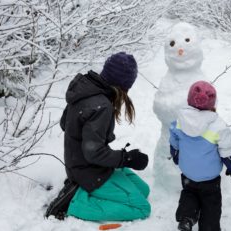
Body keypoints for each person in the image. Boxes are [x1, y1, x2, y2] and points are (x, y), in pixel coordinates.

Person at [45, 52, 151, 221]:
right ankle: (75, 202)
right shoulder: (101, 105)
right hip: (89, 172)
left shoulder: (86, 89)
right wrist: (127, 158)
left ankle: (84, 190)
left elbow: (65, 123)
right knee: (141, 207)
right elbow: (93, 153)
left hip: (86, 165)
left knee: (144, 191)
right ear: (123, 85)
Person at [169, 81, 231, 231]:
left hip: (188, 173)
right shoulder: (218, 126)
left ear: (190, 99)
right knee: (211, 203)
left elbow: (174, 141)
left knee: (189, 193)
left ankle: (187, 217)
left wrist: (175, 153)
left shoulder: (179, 120)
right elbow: (227, 151)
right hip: (210, 178)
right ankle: (209, 227)